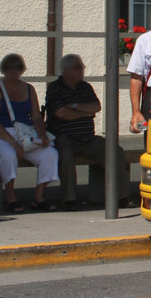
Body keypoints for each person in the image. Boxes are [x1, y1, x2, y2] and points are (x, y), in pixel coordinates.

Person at [45, 54, 133, 209]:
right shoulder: (55, 88)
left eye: (82, 67)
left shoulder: (85, 87)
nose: (82, 70)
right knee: (65, 155)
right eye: (78, 67)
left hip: (88, 139)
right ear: (66, 70)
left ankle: (122, 197)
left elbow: (96, 107)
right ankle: (69, 199)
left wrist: (72, 106)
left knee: (115, 151)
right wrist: (84, 112)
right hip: (64, 138)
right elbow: (60, 113)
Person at [0, 53, 59, 212]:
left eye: (17, 67)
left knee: (50, 153)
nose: (14, 71)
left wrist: (42, 135)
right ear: (4, 69)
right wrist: (13, 143)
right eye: (10, 68)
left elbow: (36, 117)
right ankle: (11, 197)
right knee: (8, 154)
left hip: (25, 134)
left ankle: (39, 197)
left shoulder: (29, 89)